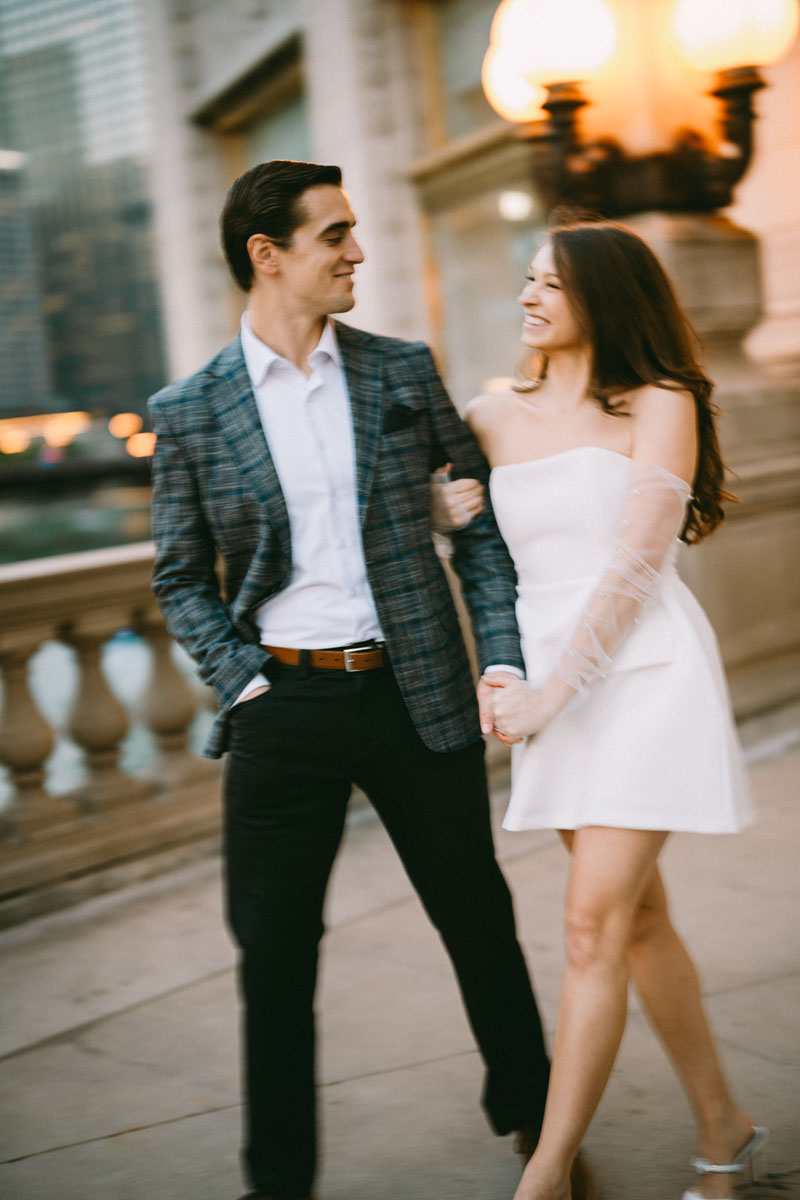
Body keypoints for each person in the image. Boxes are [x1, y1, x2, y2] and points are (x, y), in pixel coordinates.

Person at [148, 159, 559, 1200]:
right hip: (279, 706)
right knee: (274, 961)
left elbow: (478, 528)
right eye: (334, 235)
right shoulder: (192, 411)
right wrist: (240, 681)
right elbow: (180, 576)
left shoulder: (396, 372)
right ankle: (278, 1182)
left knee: (476, 921)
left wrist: (499, 656)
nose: (356, 252)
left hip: (411, 690)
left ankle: (539, 1128)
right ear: (268, 254)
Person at [436, 217, 765, 1200]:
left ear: (602, 300)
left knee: (588, 926)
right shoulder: (488, 415)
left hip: (642, 675)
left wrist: (548, 695)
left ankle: (540, 1179)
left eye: (550, 283)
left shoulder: (659, 402)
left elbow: (632, 563)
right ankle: (726, 1125)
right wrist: (435, 515)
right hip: (548, 689)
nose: (528, 297)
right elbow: (457, 541)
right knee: (637, 923)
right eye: (524, 281)